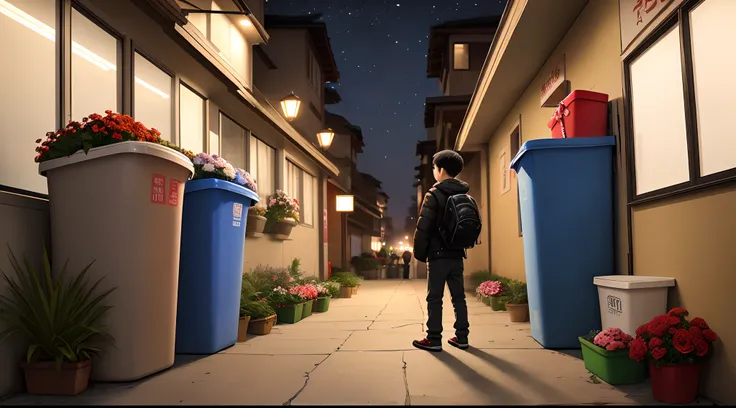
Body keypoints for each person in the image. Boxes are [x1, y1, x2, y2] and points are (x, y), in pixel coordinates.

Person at [412, 150, 474, 352]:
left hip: (438, 256)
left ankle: (434, 339)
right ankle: (462, 337)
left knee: (435, 298)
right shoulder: (464, 194)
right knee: (459, 298)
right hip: (457, 253)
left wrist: (420, 253)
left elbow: (424, 227)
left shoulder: (434, 194)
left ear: (441, 170)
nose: (433, 171)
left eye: (434, 167)